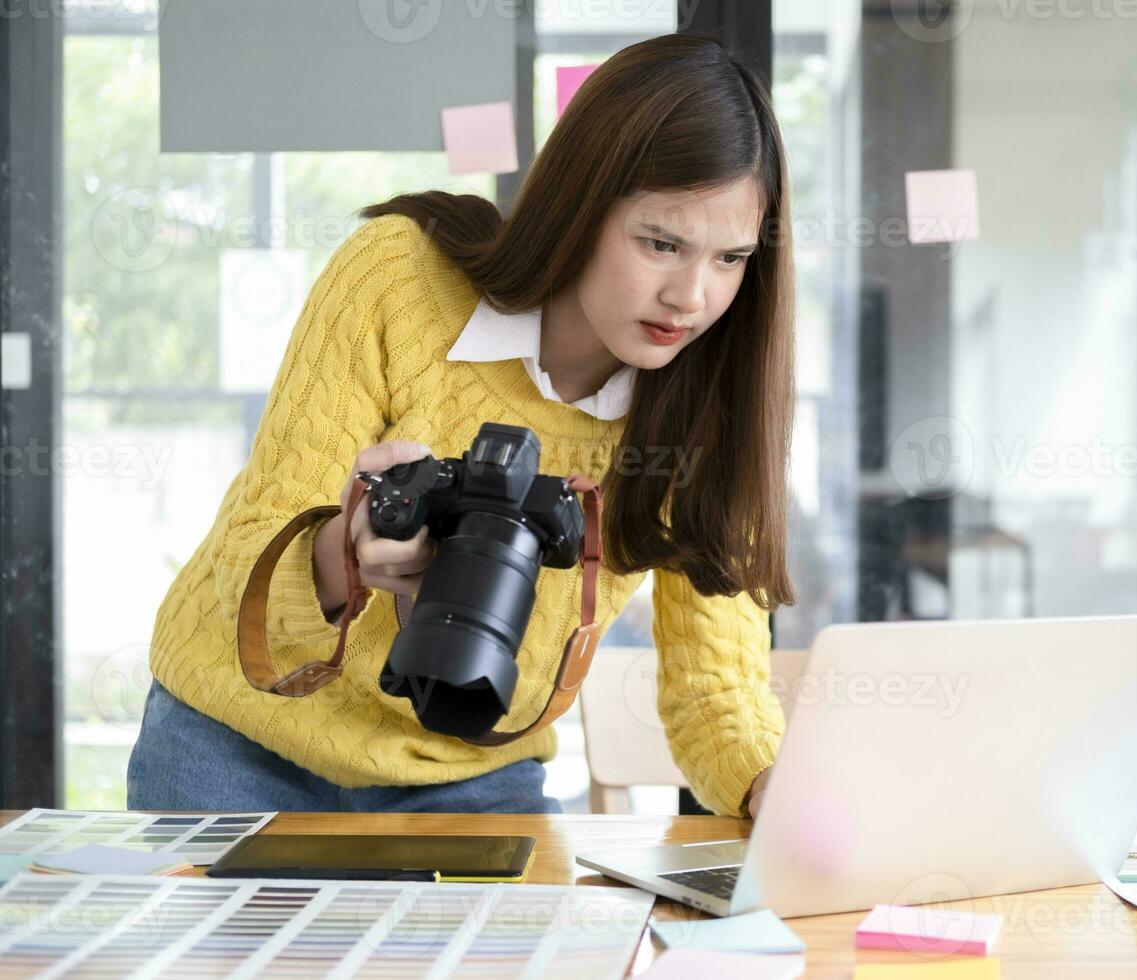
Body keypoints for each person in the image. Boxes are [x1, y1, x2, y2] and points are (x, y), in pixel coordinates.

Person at [127, 33, 796, 818]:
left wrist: (775, 794)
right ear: (580, 205)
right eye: (661, 243)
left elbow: (716, 693)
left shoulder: (708, 414)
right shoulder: (397, 280)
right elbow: (252, 551)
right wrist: (349, 557)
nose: (691, 296)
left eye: (730, 259)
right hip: (236, 745)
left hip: (468, 772)